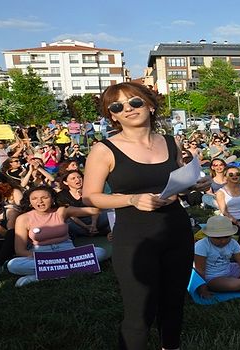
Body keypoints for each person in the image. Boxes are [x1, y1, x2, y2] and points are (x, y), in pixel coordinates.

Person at [82, 82, 211, 349]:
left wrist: (193, 184)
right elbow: (90, 196)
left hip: (176, 229)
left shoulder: (171, 142)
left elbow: (176, 181)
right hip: (134, 237)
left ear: (150, 106)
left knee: (174, 302)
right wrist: (131, 199)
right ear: (112, 116)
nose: (128, 109)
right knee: (139, 311)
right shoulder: (103, 149)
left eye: (135, 102)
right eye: (118, 106)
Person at [7, 186, 108, 286]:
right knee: (12, 265)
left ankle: (40, 276)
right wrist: (44, 259)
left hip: (68, 253)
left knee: (100, 252)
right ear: (29, 201)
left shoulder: (61, 211)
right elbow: (20, 250)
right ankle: (73, 269)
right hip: (42, 255)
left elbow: (94, 210)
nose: (40, 201)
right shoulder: (23, 218)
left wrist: (93, 201)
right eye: (34, 199)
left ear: (52, 199)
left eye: (45, 198)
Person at [193, 216, 240, 298]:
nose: (223, 240)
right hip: (212, 277)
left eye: (227, 236)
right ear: (209, 235)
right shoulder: (201, 246)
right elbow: (200, 270)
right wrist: (203, 290)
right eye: (218, 238)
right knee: (233, 285)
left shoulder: (232, 243)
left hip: (229, 269)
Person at [57, 170, 110, 238]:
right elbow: (70, 215)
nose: (78, 180)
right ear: (66, 182)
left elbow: (95, 208)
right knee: (67, 222)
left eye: (79, 177)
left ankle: (93, 230)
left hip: (94, 219)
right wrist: (85, 226)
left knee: (111, 212)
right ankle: (94, 232)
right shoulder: (62, 195)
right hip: (77, 222)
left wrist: (93, 224)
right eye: (73, 178)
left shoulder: (89, 190)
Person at [216, 166, 240, 230]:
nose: (234, 176)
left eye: (237, 174)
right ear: (225, 177)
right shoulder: (220, 192)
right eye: (231, 174)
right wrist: (238, 223)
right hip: (229, 220)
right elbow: (224, 212)